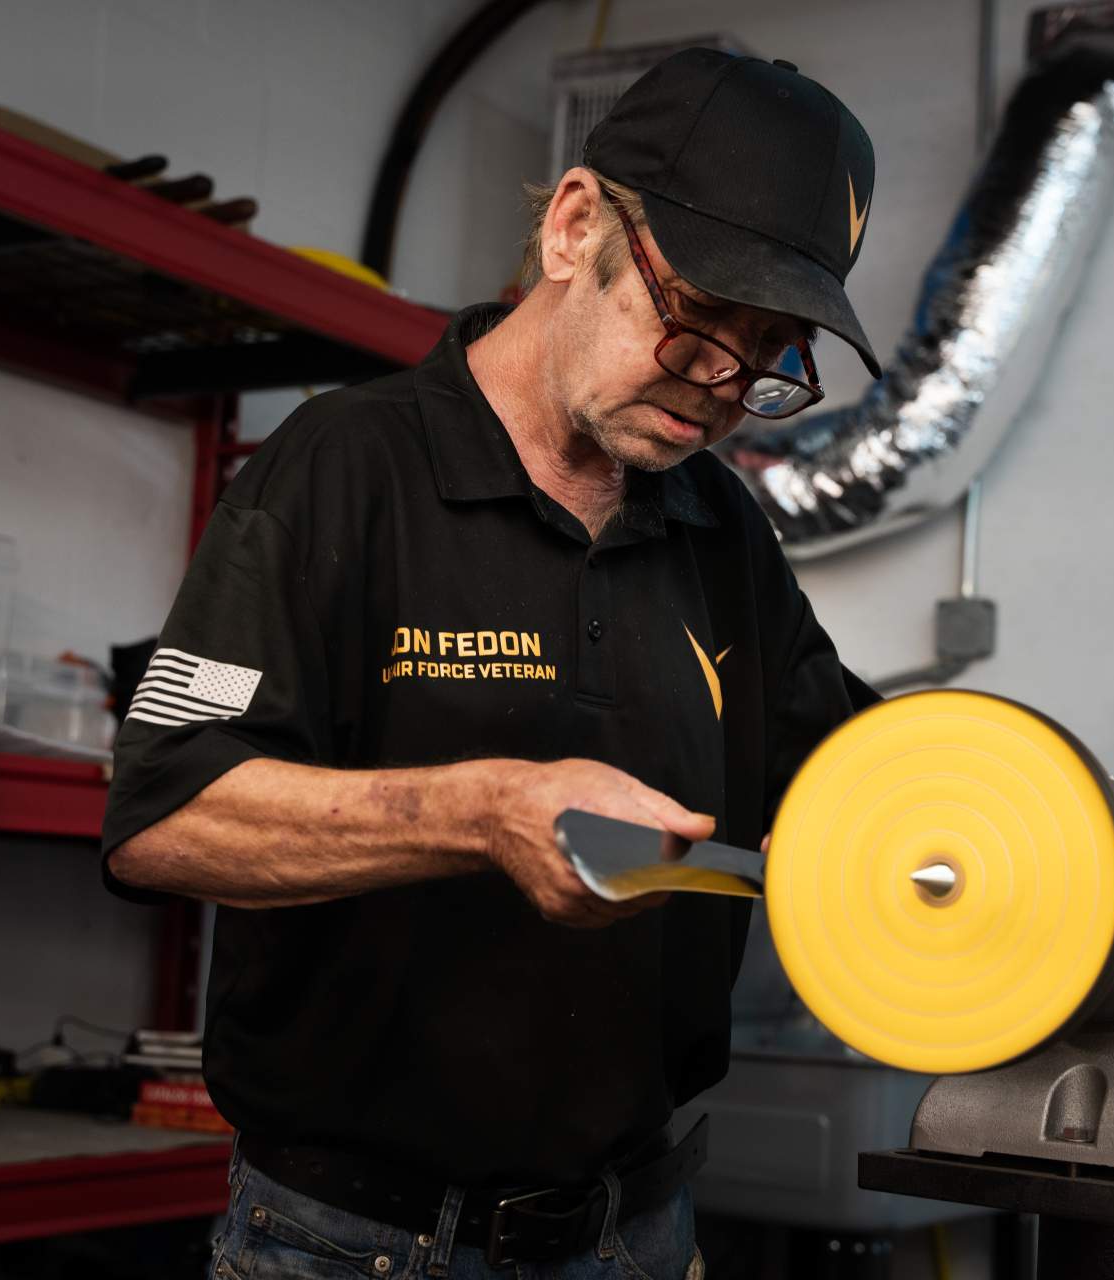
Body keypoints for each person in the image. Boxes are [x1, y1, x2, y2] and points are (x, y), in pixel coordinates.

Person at [101, 47, 882, 1280]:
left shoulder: (717, 526)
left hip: (636, 1230)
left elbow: (856, 778)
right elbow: (165, 814)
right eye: (695, 325)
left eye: (768, 355)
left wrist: (1068, 833)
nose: (719, 391)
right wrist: (480, 809)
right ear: (577, 228)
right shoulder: (345, 469)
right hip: (350, 1241)